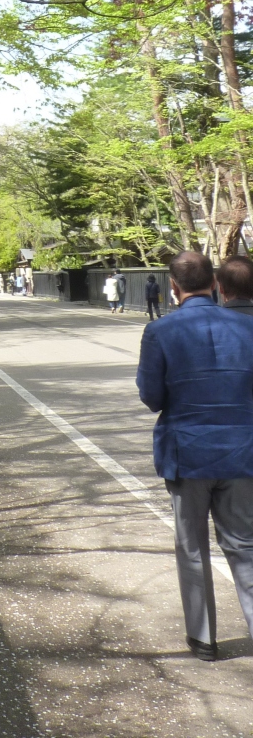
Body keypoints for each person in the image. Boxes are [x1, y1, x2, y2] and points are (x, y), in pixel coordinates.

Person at [136, 251, 253, 661]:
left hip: (187, 453)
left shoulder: (160, 331)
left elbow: (152, 397)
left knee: (191, 547)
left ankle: (203, 638)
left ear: (173, 287)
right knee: (245, 546)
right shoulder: (248, 327)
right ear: (215, 283)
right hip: (243, 452)